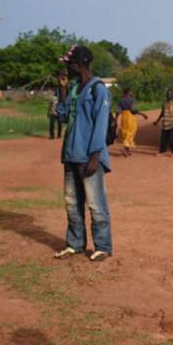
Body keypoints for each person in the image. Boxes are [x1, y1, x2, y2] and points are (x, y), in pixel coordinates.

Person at [53, 45, 113, 262]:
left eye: (69, 64)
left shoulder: (99, 90)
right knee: (71, 202)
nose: (66, 69)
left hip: (89, 157)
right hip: (70, 156)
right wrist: (62, 90)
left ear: (79, 65)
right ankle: (75, 244)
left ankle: (103, 246)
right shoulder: (74, 88)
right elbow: (62, 116)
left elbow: (101, 124)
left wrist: (95, 156)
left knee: (96, 204)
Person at [117, 88, 147, 157]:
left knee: (125, 132)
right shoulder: (132, 100)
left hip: (124, 118)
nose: (132, 93)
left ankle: (127, 150)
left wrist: (115, 120)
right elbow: (133, 110)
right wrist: (142, 114)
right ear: (128, 93)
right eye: (131, 92)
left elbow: (118, 111)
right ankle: (125, 148)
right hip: (130, 117)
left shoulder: (120, 100)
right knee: (131, 132)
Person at [152, 89, 173, 157]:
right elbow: (162, 113)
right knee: (163, 139)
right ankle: (162, 151)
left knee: (172, 138)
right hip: (165, 123)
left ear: (172, 95)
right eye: (167, 94)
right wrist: (157, 121)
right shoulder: (164, 103)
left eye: (169, 94)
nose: (168, 95)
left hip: (172, 123)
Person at [48, 71, 66, 140]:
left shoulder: (63, 86)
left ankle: (59, 135)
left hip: (60, 109)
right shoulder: (54, 94)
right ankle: (52, 135)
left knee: (59, 124)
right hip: (53, 110)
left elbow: (63, 85)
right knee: (51, 124)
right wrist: (48, 111)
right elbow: (50, 104)